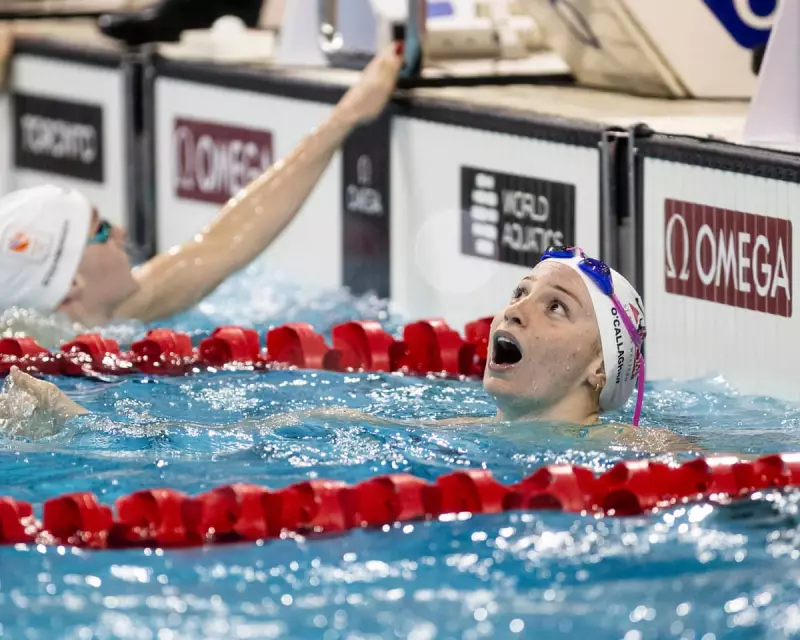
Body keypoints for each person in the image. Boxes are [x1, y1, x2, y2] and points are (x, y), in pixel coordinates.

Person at [2, 247, 699, 453]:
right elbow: (262, 436)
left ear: (601, 366)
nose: (515, 309)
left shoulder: (641, 449)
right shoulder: (454, 434)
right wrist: (90, 424)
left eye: (555, 307)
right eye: (520, 292)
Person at [0, 44, 403, 327]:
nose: (121, 232)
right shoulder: (37, 366)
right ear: (70, 283)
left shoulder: (111, 312)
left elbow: (223, 243)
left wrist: (346, 116)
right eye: (101, 231)